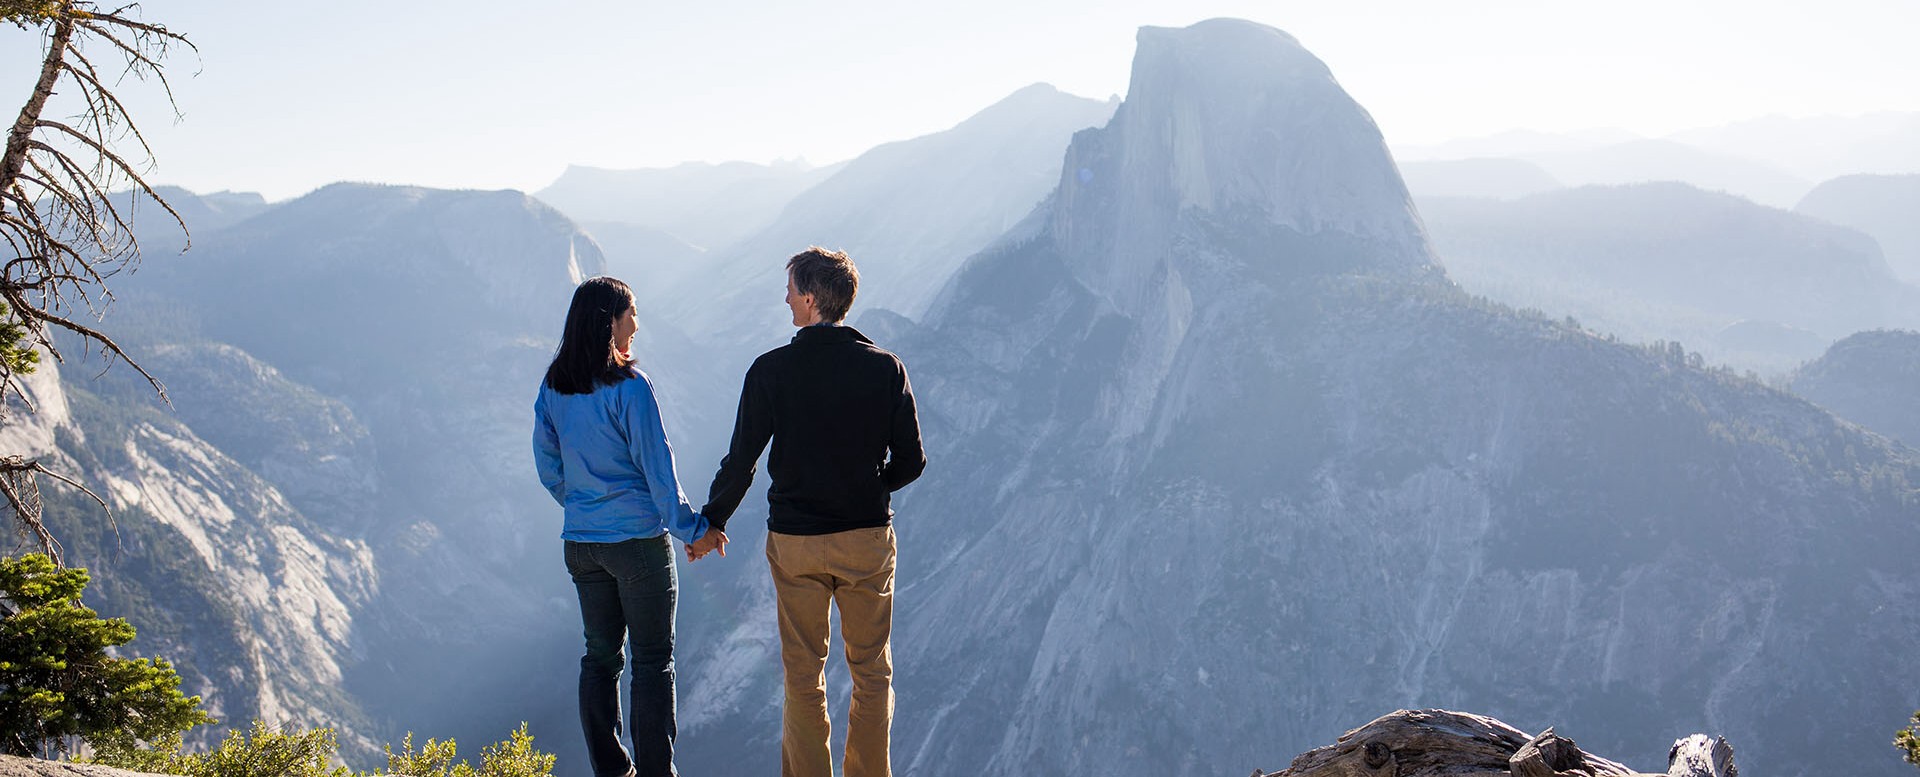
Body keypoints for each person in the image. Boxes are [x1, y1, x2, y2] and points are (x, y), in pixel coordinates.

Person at [700, 247, 926, 777]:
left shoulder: (770, 371)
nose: (784, 299)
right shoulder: (886, 369)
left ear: (808, 298)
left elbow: (742, 461)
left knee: (804, 675)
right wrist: (871, 489)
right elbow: (912, 461)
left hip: (797, 541)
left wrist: (713, 522)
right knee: (872, 672)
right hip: (865, 539)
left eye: (789, 290)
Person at [533, 276, 727, 777]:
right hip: (637, 544)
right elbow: (658, 470)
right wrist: (693, 530)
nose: (637, 324)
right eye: (631, 313)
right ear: (609, 321)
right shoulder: (630, 388)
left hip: (581, 544)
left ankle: (612, 770)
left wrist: (581, 504)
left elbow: (547, 463)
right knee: (651, 661)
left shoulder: (554, 386)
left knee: (599, 657)